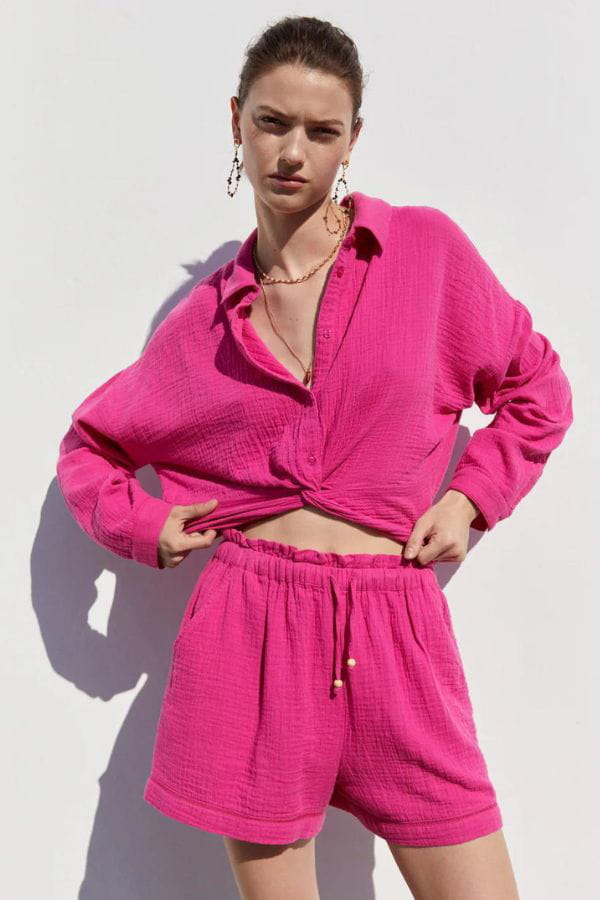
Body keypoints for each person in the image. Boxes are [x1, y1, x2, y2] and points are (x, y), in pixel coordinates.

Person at [55, 14, 574, 900]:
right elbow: (90, 446)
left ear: (352, 140)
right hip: (249, 631)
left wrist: (470, 498)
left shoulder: (424, 255)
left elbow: (538, 388)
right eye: (272, 122)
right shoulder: (203, 329)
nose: (293, 152)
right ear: (237, 123)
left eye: (322, 131)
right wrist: (146, 526)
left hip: (396, 627)